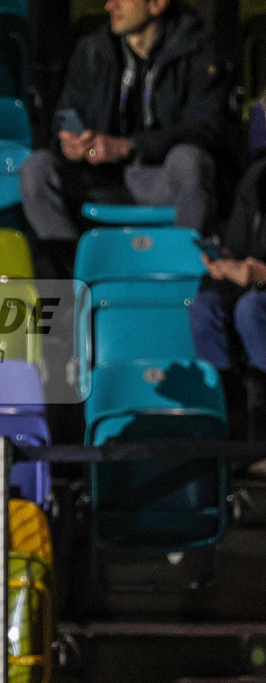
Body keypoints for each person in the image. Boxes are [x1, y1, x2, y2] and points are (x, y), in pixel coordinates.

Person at [18, 0, 234, 277]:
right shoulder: (91, 51)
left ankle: (181, 274)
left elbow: (208, 129)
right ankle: (75, 275)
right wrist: (69, 144)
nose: (110, 6)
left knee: (189, 160)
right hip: (102, 178)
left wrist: (128, 147)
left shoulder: (200, 51)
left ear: (157, 4)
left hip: (162, 179)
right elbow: (65, 116)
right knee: (37, 168)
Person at [189, 155, 266, 445]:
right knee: (205, 306)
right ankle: (220, 428)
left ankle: (260, 437)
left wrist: (260, 274)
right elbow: (237, 245)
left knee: (251, 309)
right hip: (252, 285)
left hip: (258, 293)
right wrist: (224, 264)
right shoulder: (257, 177)